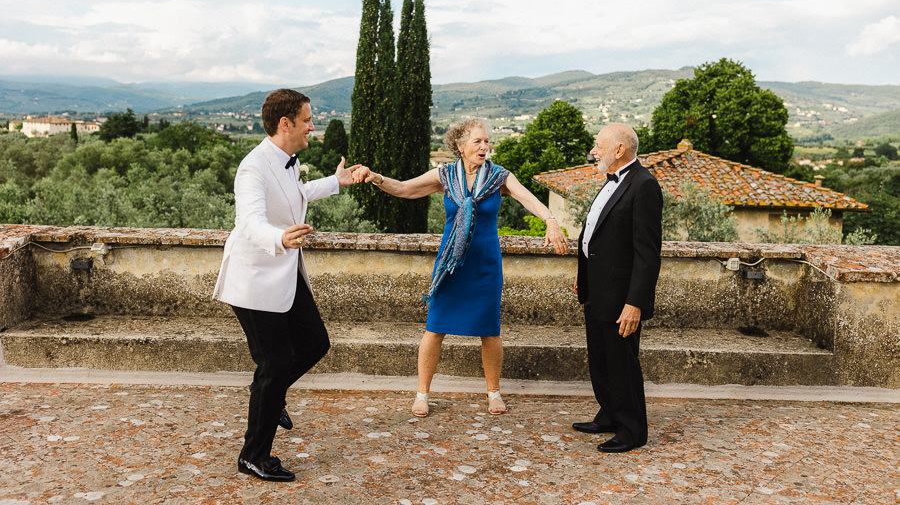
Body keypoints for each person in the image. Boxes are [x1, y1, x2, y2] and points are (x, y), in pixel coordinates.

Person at [353, 118, 568, 417]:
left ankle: (494, 393)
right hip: (450, 264)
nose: (484, 146)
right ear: (460, 145)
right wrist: (375, 177)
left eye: (486, 141)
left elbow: (528, 198)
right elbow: (403, 189)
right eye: (477, 141)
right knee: (435, 327)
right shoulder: (444, 175)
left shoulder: (499, 177)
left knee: (489, 330)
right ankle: (422, 394)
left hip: (485, 264)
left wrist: (551, 221)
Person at [212, 88, 361, 482]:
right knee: (275, 364)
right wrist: (279, 239)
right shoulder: (253, 168)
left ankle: (268, 392)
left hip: (284, 275)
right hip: (255, 279)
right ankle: (253, 456)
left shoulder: (288, 162)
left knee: (315, 344)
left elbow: (296, 193)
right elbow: (250, 222)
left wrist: (335, 181)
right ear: (286, 123)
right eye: (308, 119)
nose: (313, 126)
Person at [572, 123, 662, 453]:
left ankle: (632, 430)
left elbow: (648, 253)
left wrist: (635, 303)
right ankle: (609, 413)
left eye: (599, 145)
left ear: (619, 149)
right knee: (601, 359)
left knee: (622, 363)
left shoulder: (644, 185)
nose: (594, 151)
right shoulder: (611, 182)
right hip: (597, 291)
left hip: (622, 296)